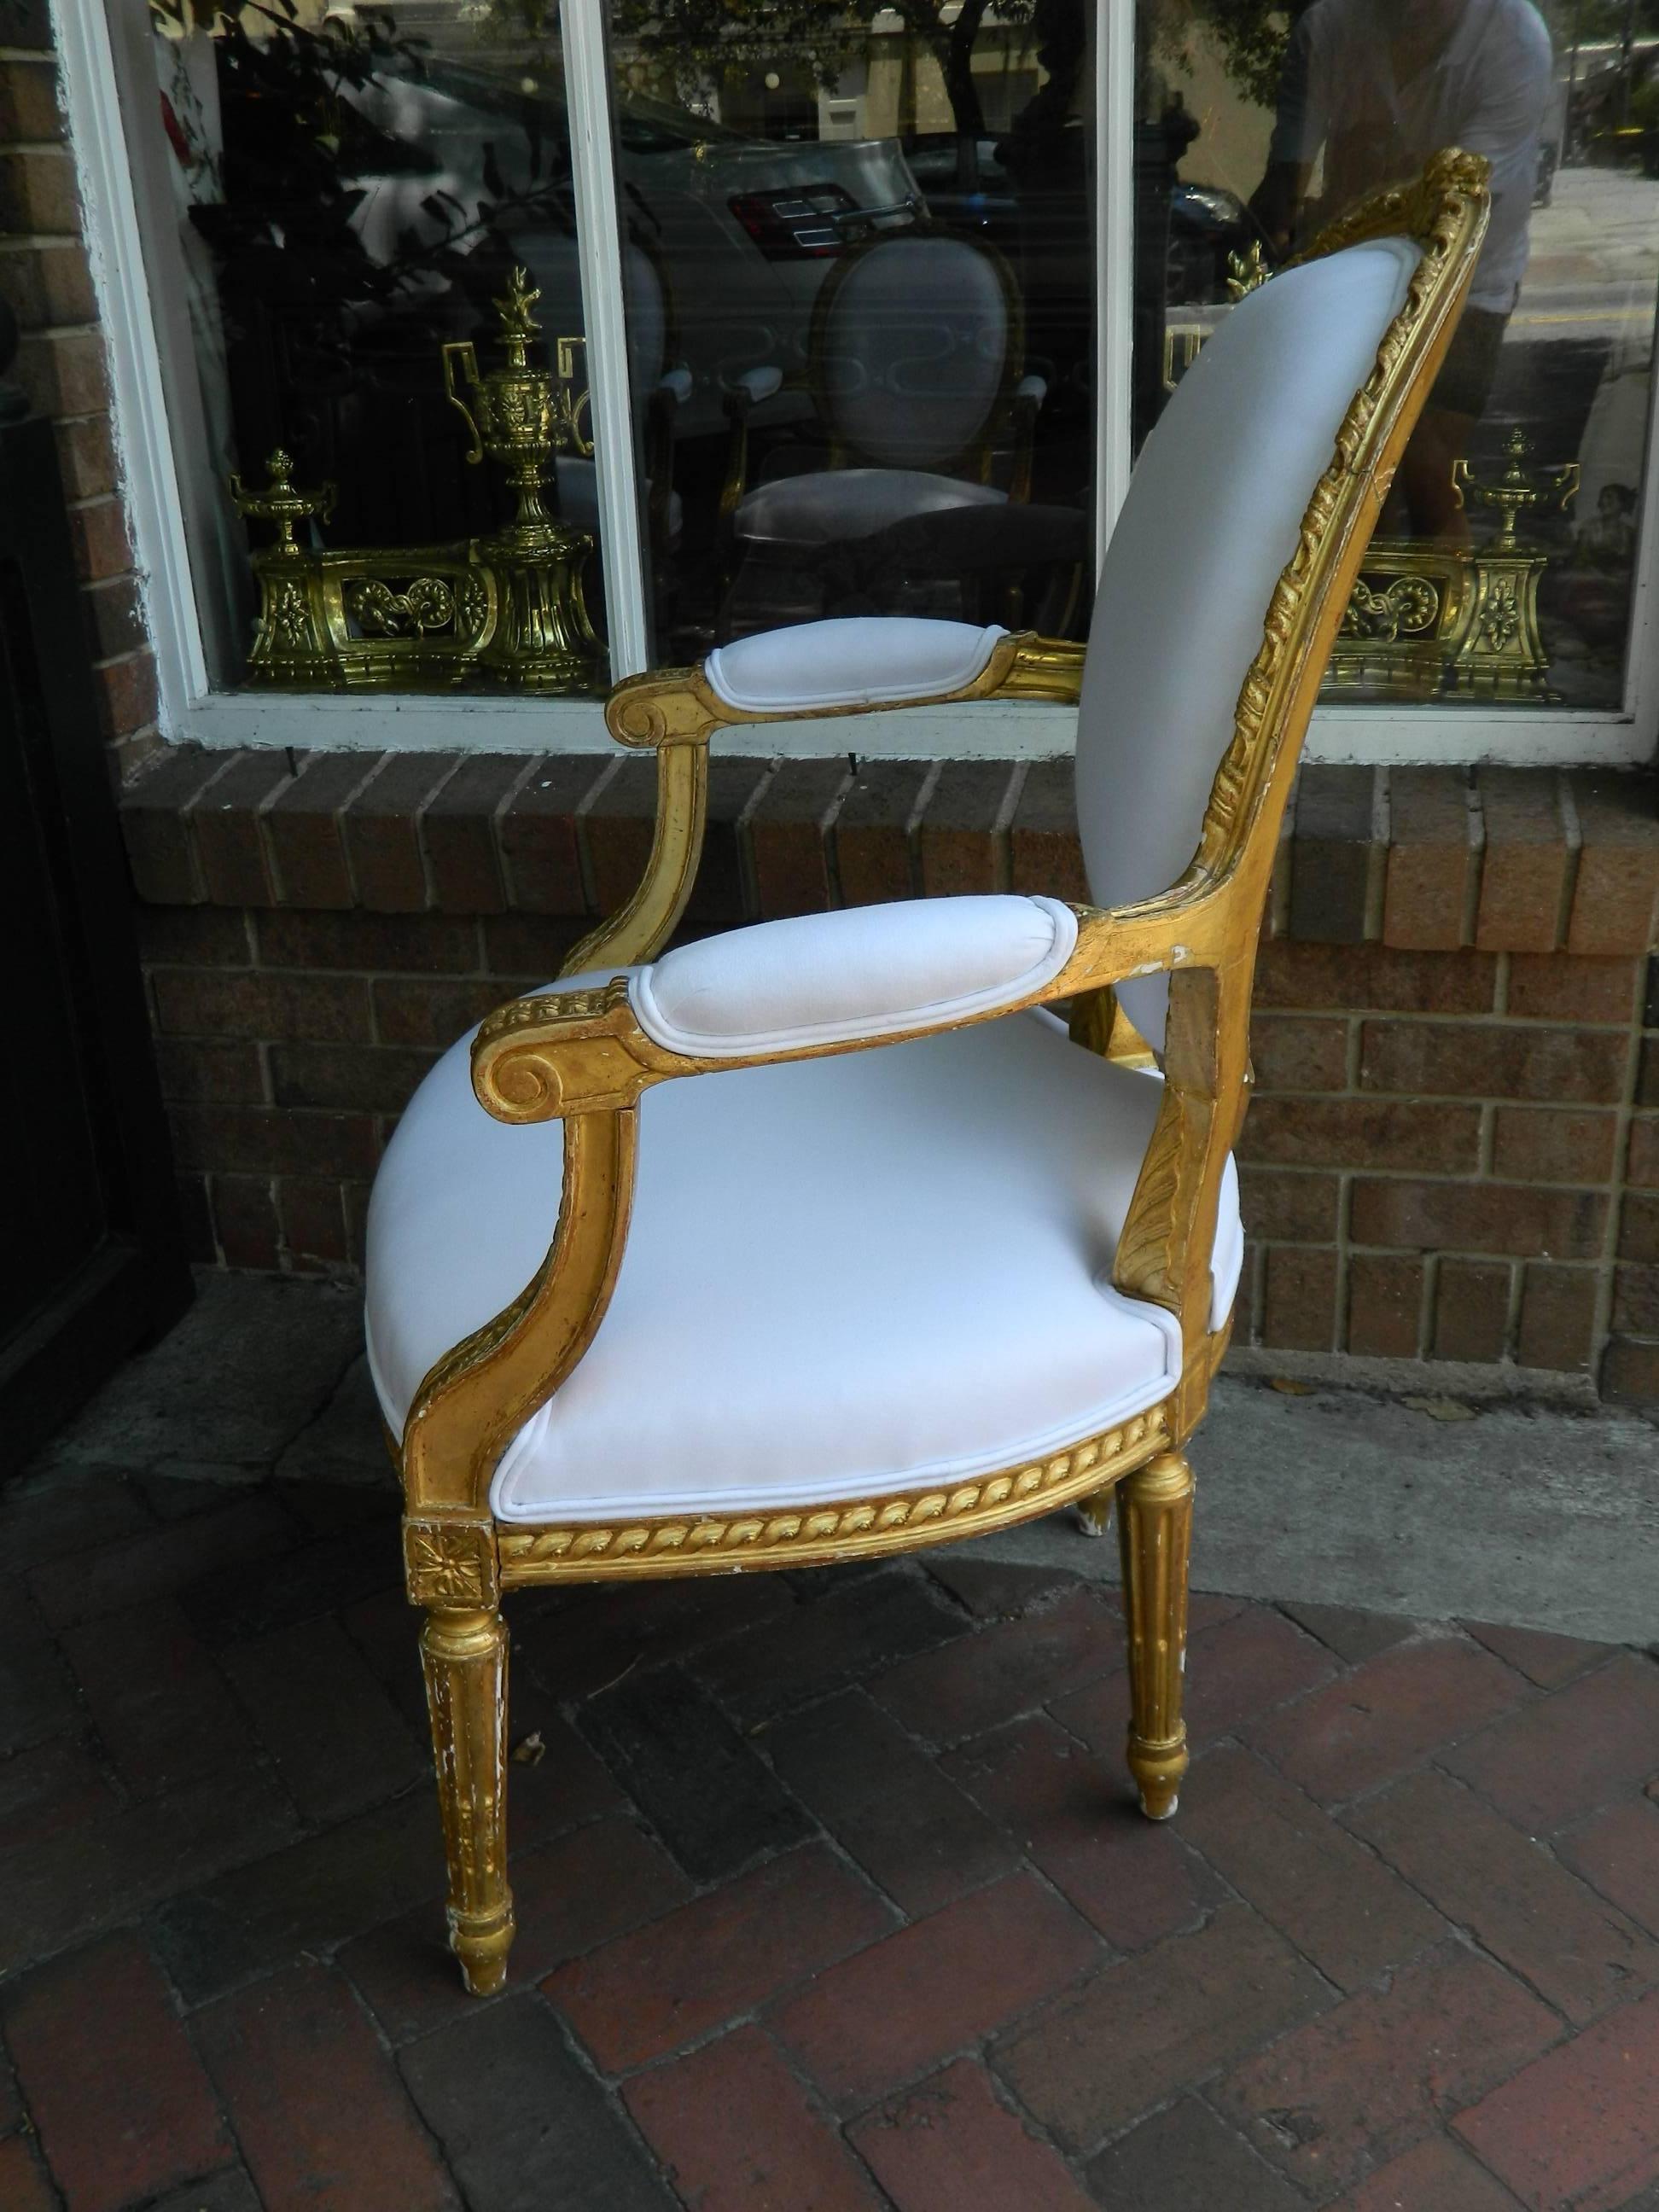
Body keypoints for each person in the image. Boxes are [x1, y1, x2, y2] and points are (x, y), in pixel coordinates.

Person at [1250, 0, 1553, 540]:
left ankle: (1447, 618)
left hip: (1467, 281)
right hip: (1348, 277)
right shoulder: (1328, 29)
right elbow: (1284, 186)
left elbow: (1453, 212)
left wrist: (1354, 182)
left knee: (1428, 473)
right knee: (1351, 482)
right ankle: (1357, 611)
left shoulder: (1513, 38)